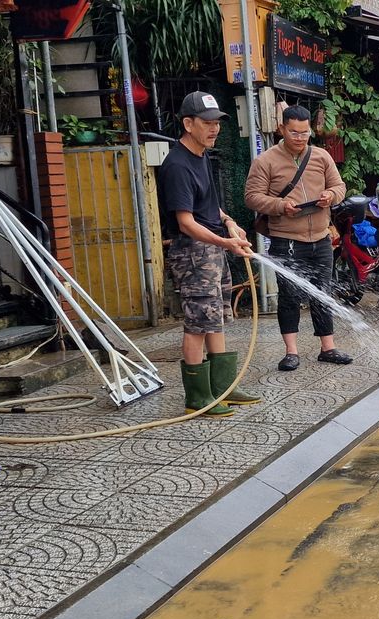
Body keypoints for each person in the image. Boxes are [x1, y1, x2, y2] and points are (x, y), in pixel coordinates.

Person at [158, 91, 260, 417]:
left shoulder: (201, 156)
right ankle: (199, 397)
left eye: (217, 122)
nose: (214, 128)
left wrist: (229, 223)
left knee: (215, 319)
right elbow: (186, 222)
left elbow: (207, 206)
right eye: (207, 122)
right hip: (193, 253)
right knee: (198, 323)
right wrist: (225, 243)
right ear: (188, 124)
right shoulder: (177, 165)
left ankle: (223, 388)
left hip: (212, 248)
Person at [245, 105, 349, 371]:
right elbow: (252, 197)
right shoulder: (265, 160)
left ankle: (328, 347)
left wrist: (331, 196)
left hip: (321, 237)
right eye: (294, 132)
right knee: (289, 295)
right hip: (286, 239)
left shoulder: (321, 156)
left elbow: (339, 186)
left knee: (322, 292)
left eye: (305, 133)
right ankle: (291, 351)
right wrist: (281, 206)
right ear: (282, 129)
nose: (300, 138)